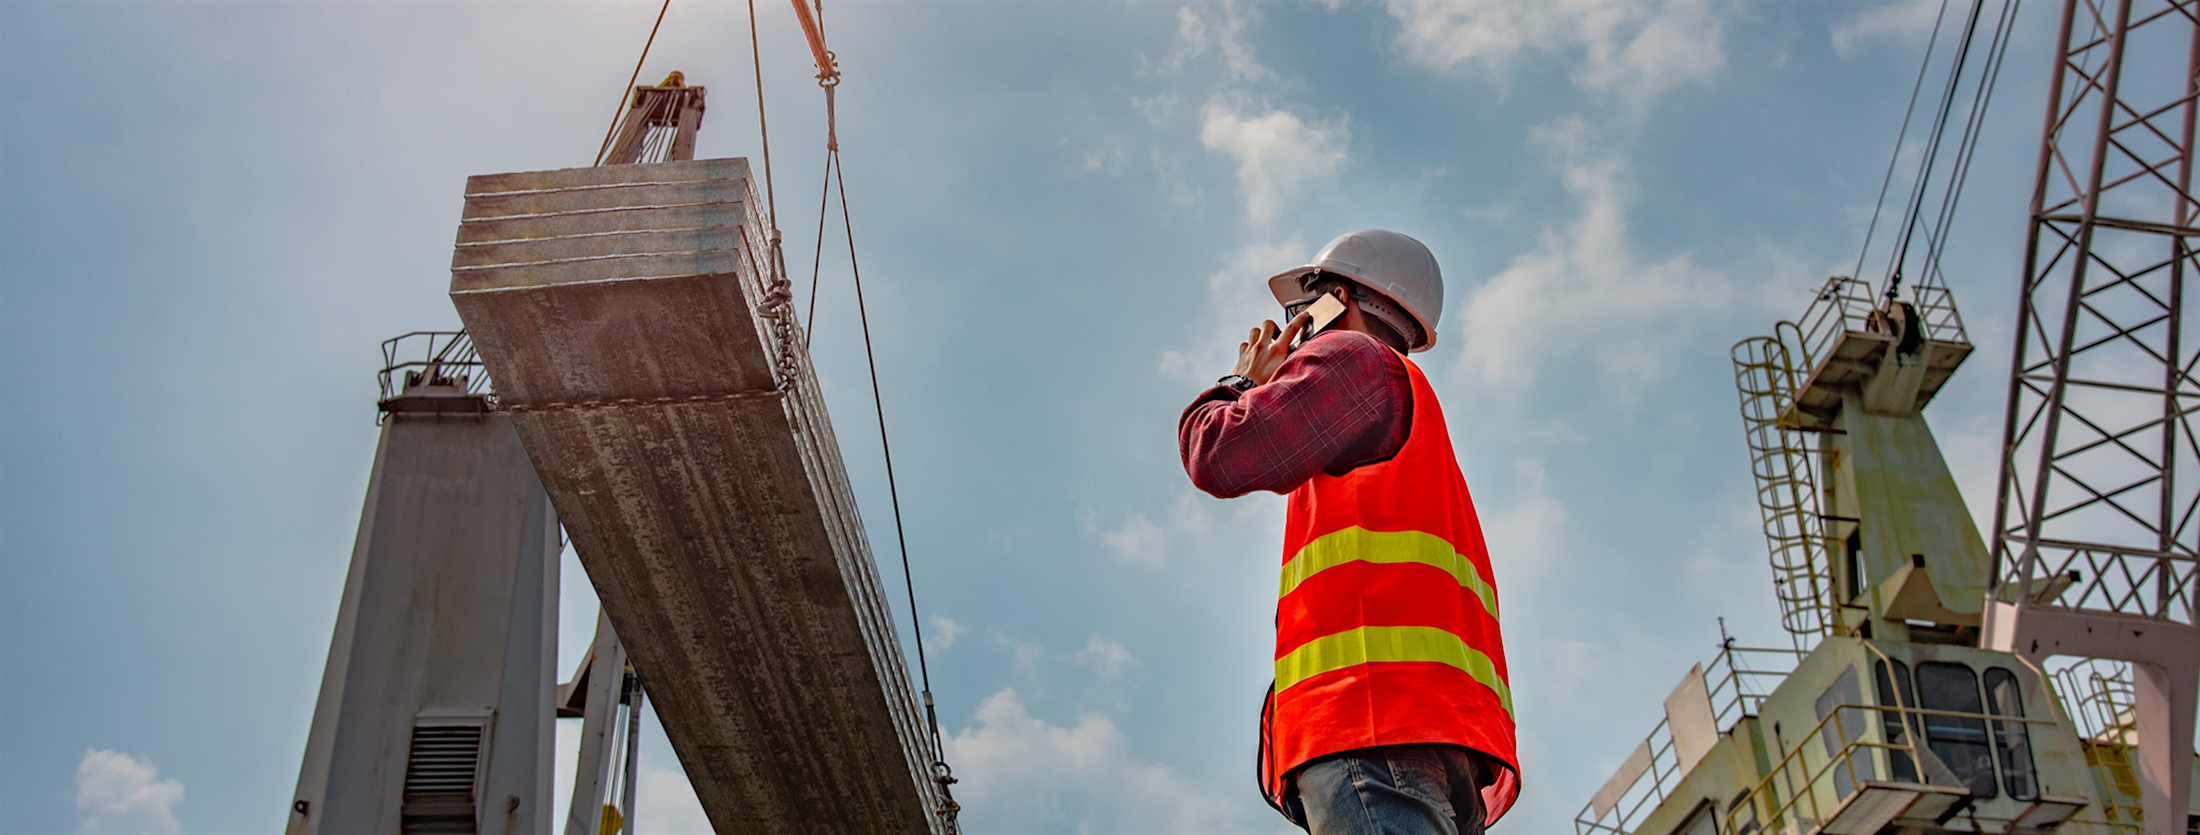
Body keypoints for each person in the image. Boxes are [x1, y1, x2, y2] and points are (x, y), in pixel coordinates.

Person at [1177, 230, 1519, 835]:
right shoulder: (1411, 411)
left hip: (1369, 724)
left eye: (1302, 308)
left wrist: (1243, 382)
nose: (1295, 329)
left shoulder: (1352, 358)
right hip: (1444, 736)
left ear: (1335, 299)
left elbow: (1217, 452)